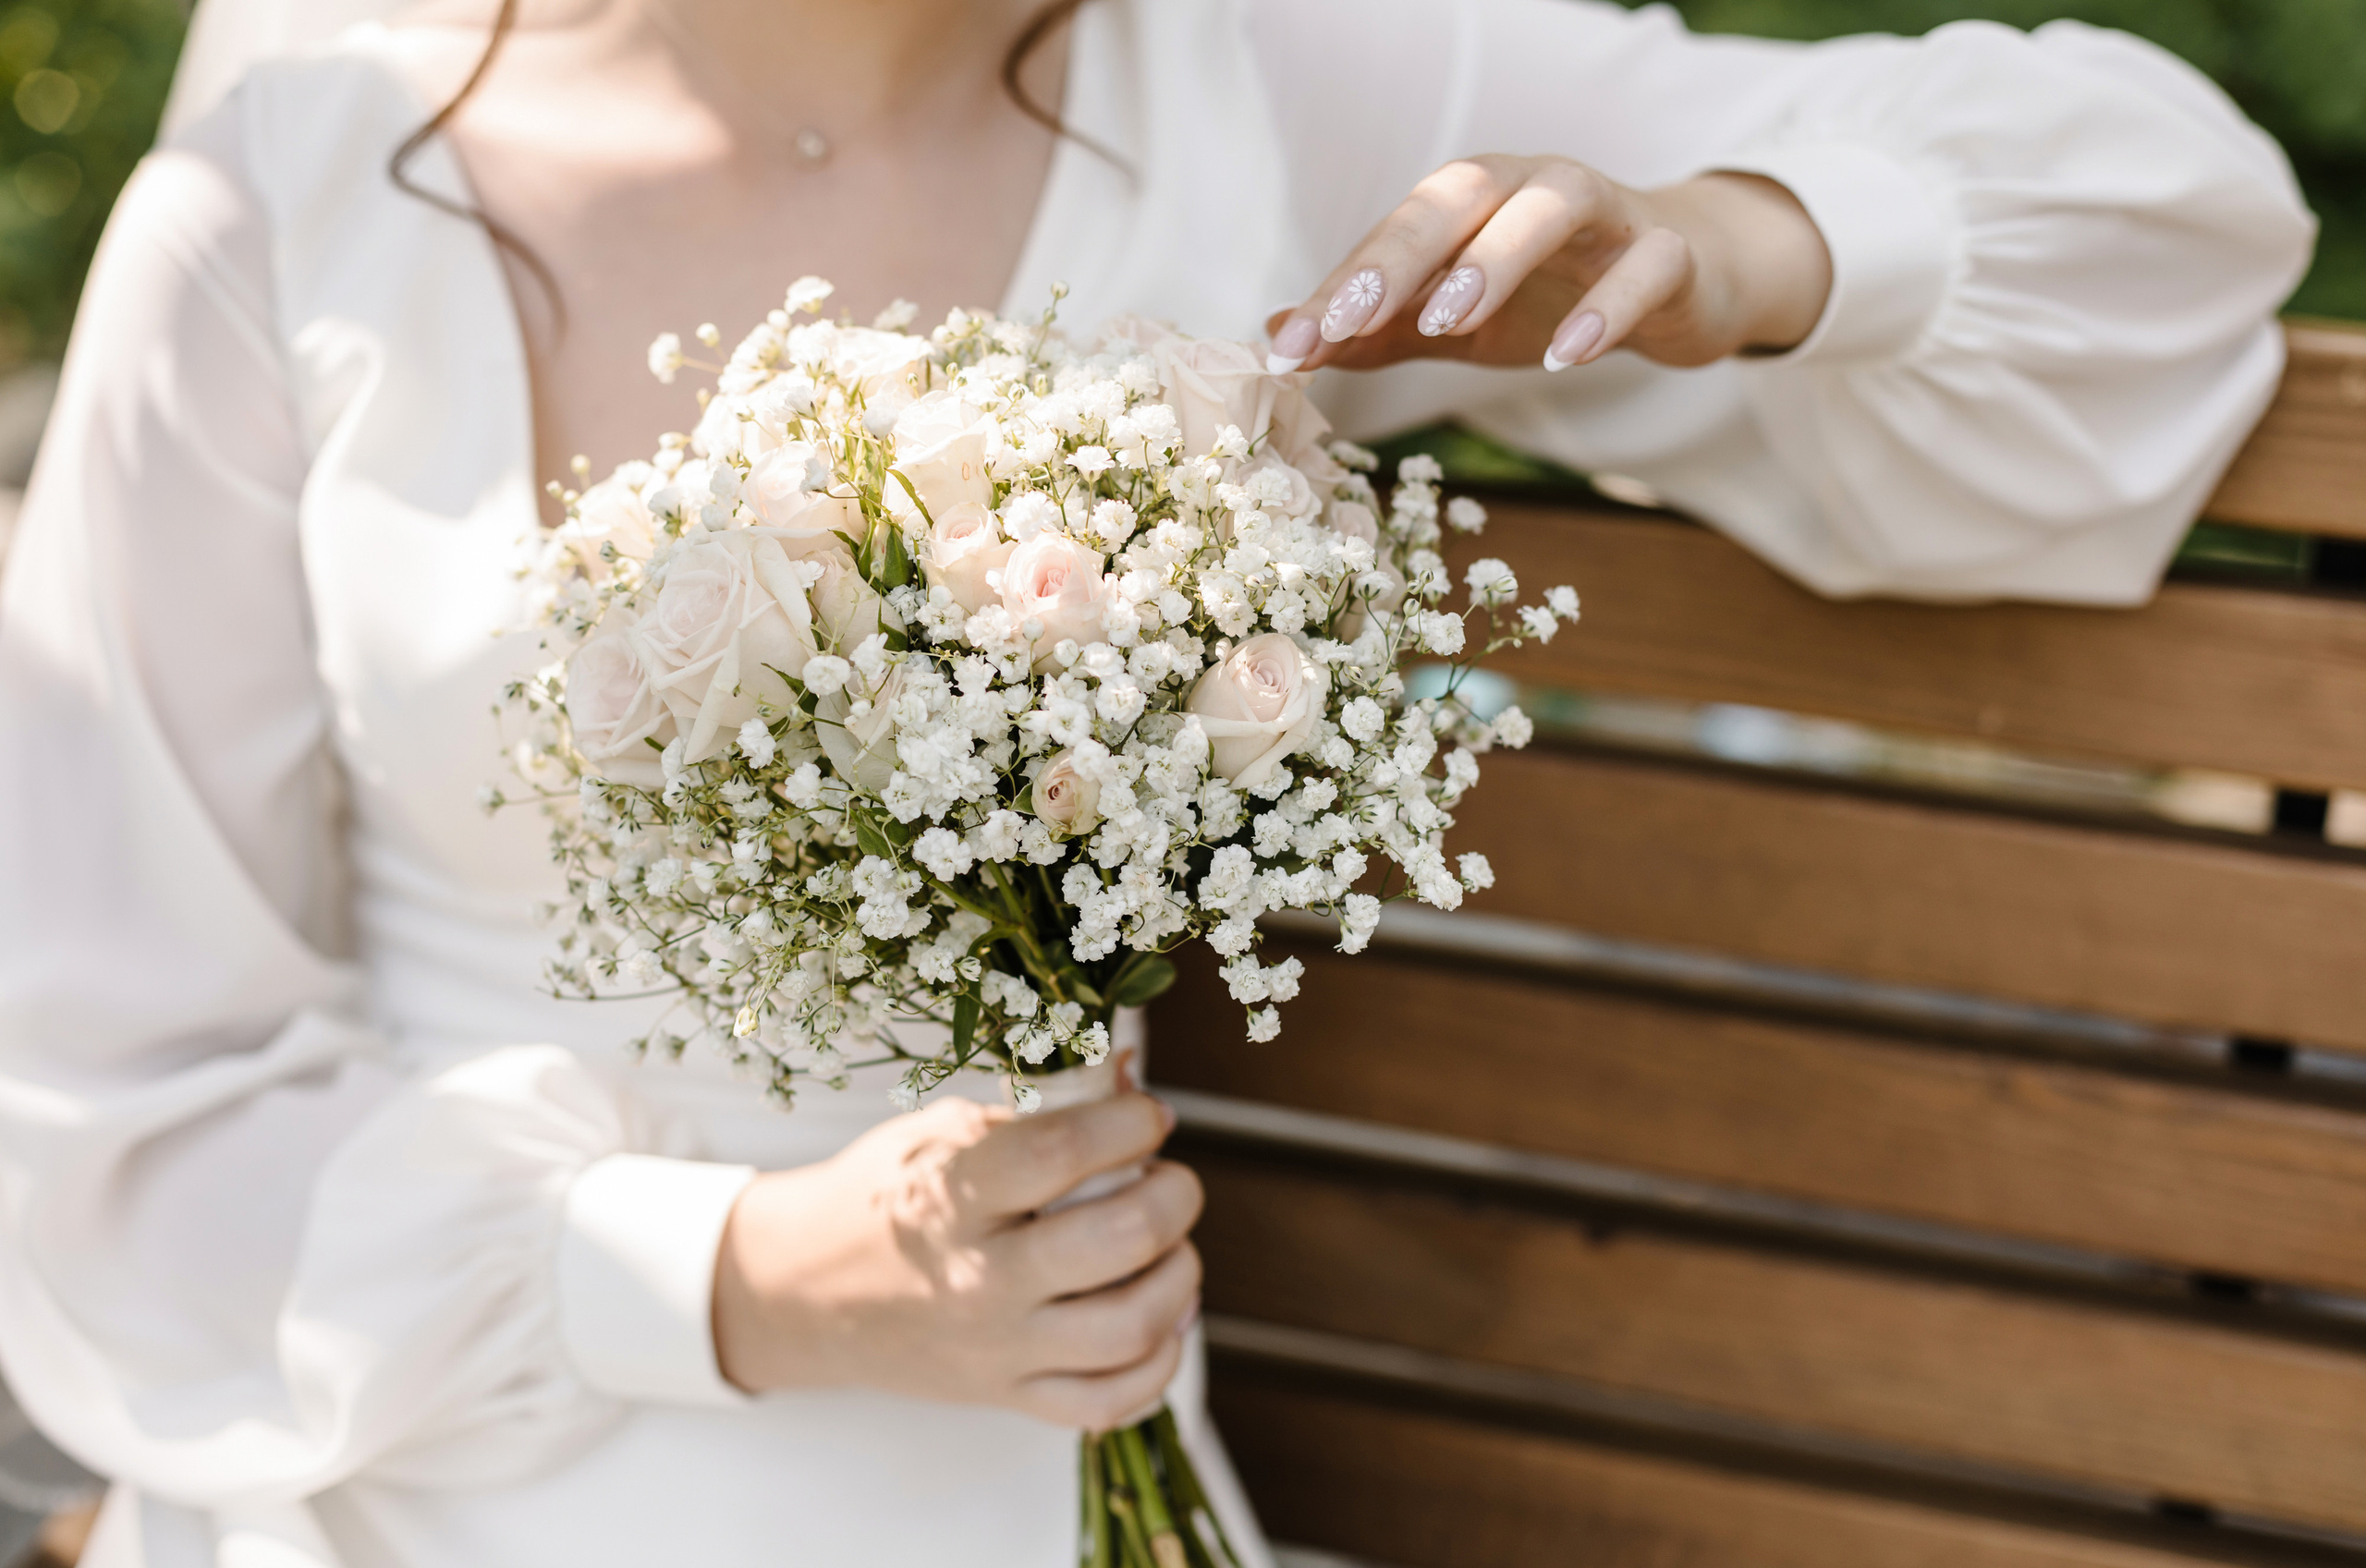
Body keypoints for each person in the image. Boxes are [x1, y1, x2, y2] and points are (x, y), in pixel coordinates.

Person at [0, 1, 2311, 1565]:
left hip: (1047, 1458)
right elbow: (100, 1080)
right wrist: (714, 1280)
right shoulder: (290, 179)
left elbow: (2151, 226)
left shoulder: (1253, 72)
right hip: (414, 1432)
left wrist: (1728, 247)